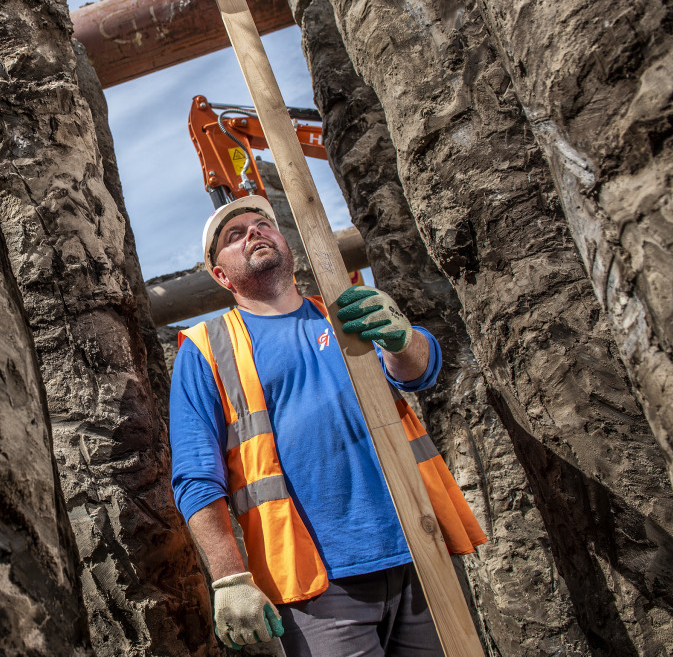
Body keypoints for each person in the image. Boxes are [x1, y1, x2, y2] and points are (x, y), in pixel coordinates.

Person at [169, 195, 486, 654]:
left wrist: (403, 339)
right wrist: (229, 578)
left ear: (285, 244)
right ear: (221, 275)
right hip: (318, 584)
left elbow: (420, 371)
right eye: (235, 235)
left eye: (263, 224)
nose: (254, 232)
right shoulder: (205, 348)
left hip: (419, 544)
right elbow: (196, 476)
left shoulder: (343, 312)